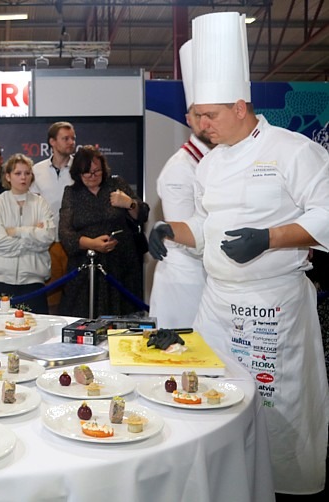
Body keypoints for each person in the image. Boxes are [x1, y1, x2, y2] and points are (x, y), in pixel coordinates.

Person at [148, 12, 328, 496]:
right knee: (212, 395)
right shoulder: (211, 165)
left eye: (211, 116)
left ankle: (286, 485)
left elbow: (326, 213)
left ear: (241, 105)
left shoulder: (293, 151)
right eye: (197, 116)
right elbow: (211, 231)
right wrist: (171, 228)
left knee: (277, 403)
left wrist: (268, 238)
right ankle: (227, 483)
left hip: (273, 303)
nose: (201, 126)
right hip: (218, 303)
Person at [148, 40, 212, 328]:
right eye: (200, 116)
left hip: (209, 279)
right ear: (188, 119)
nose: (208, 123)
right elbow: (188, 236)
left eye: (213, 114)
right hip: (187, 283)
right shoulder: (179, 169)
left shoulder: (217, 160)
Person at [59, 145, 149, 318]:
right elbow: (65, 234)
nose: (93, 176)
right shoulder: (72, 193)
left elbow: (143, 214)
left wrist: (129, 203)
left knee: (124, 320)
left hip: (122, 267)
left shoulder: (117, 185)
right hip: (86, 268)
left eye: (97, 171)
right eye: (87, 172)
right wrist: (92, 244)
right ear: (78, 173)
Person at [0, 153, 55, 313]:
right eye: (18, 173)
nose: (23, 177)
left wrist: (17, 231)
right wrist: (33, 235)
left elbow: (47, 237)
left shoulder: (40, 203)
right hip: (0, 279)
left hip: (33, 280)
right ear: (8, 176)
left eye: (27, 173)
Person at [30, 121, 76, 312]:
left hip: (75, 242)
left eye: (73, 138)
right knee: (51, 300)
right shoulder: (36, 170)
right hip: (48, 244)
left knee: (76, 296)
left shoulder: (80, 170)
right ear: (52, 142)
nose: (71, 142)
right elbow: (31, 204)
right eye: (66, 138)